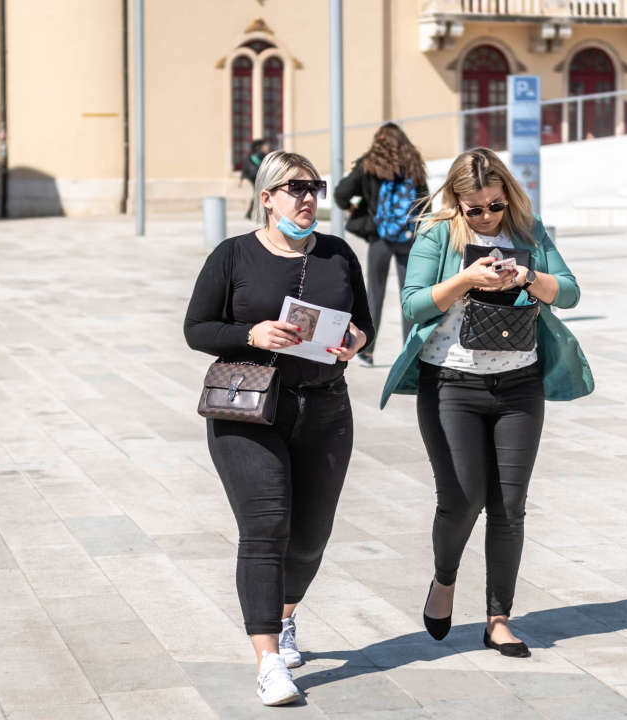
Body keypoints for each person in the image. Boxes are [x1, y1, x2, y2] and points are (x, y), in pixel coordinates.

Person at [380, 147, 592, 657]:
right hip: (451, 383)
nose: (486, 217)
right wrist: (465, 280)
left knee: (510, 507)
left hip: (519, 385)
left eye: (494, 206)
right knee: (462, 499)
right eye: (474, 209)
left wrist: (528, 278)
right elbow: (412, 303)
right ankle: (445, 579)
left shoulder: (528, 230)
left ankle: (499, 618)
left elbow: (570, 293)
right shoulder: (438, 233)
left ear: (507, 196)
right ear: (456, 201)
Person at [184, 150, 375, 707]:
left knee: (311, 537)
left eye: (314, 187)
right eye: (294, 188)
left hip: (325, 408)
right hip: (249, 411)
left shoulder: (339, 254)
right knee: (267, 528)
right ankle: (268, 658)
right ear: (267, 198)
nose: (308, 197)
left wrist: (358, 343)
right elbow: (197, 328)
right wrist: (252, 335)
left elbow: (364, 323)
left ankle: (286, 616)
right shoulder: (233, 254)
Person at [334, 123, 429, 367]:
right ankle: (411, 355)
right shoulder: (414, 165)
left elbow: (341, 193)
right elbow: (426, 205)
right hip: (408, 241)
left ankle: (366, 351)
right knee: (411, 297)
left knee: (373, 295)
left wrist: (354, 208)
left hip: (380, 239)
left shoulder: (369, 164)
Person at [241, 139, 271, 221]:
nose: (266, 147)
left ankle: (251, 213)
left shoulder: (252, 155)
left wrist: (242, 177)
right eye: (265, 146)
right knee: (259, 194)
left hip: (253, 176)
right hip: (255, 177)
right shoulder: (259, 154)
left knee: (258, 194)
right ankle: (251, 213)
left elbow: (245, 169)